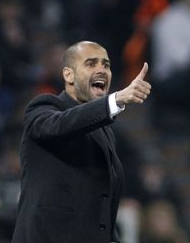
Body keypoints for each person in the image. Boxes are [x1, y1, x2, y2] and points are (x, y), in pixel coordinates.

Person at [11, 41, 151, 243]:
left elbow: (101, 208)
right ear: (68, 75)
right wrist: (116, 100)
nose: (101, 70)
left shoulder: (105, 132)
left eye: (106, 64)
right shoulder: (44, 107)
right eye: (91, 63)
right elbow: (60, 125)